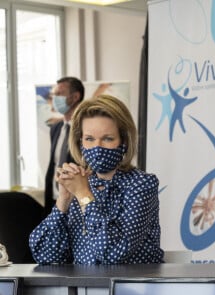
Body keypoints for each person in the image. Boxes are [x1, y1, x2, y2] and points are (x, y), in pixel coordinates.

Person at [29, 94, 164, 264]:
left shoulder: (141, 184)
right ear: (80, 142)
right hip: (82, 288)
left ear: (124, 141)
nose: (97, 147)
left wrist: (84, 195)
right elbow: (45, 257)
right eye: (89, 139)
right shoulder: (80, 184)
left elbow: (114, 253)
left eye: (107, 139)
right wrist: (63, 201)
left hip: (129, 288)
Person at [44, 76, 85, 216]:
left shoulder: (87, 129)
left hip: (78, 202)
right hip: (55, 199)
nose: (54, 98)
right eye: (54, 94)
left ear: (75, 97)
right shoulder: (56, 128)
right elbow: (54, 164)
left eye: (59, 94)